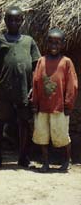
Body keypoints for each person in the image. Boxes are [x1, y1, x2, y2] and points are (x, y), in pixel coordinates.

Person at [0, 6, 41, 169]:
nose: (13, 22)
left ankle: (22, 156)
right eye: (10, 19)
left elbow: (37, 64)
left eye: (17, 20)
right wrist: (0, 69)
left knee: (23, 122)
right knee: (0, 121)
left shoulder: (29, 41)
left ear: (22, 21)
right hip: (5, 88)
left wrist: (33, 87)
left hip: (24, 88)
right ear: (5, 21)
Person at [31, 28, 78, 172]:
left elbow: (72, 84)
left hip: (59, 107)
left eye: (57, 43)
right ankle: (45, 162)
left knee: (62, 135)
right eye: (51, 42)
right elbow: (36, 82)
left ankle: (67, 160)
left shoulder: (66, 62)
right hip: (43, 107)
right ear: (46, 43)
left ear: (62, 44)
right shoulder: (41, 61)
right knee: (42, 135)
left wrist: (68, 104)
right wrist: (35, 102)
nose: (54, 46)